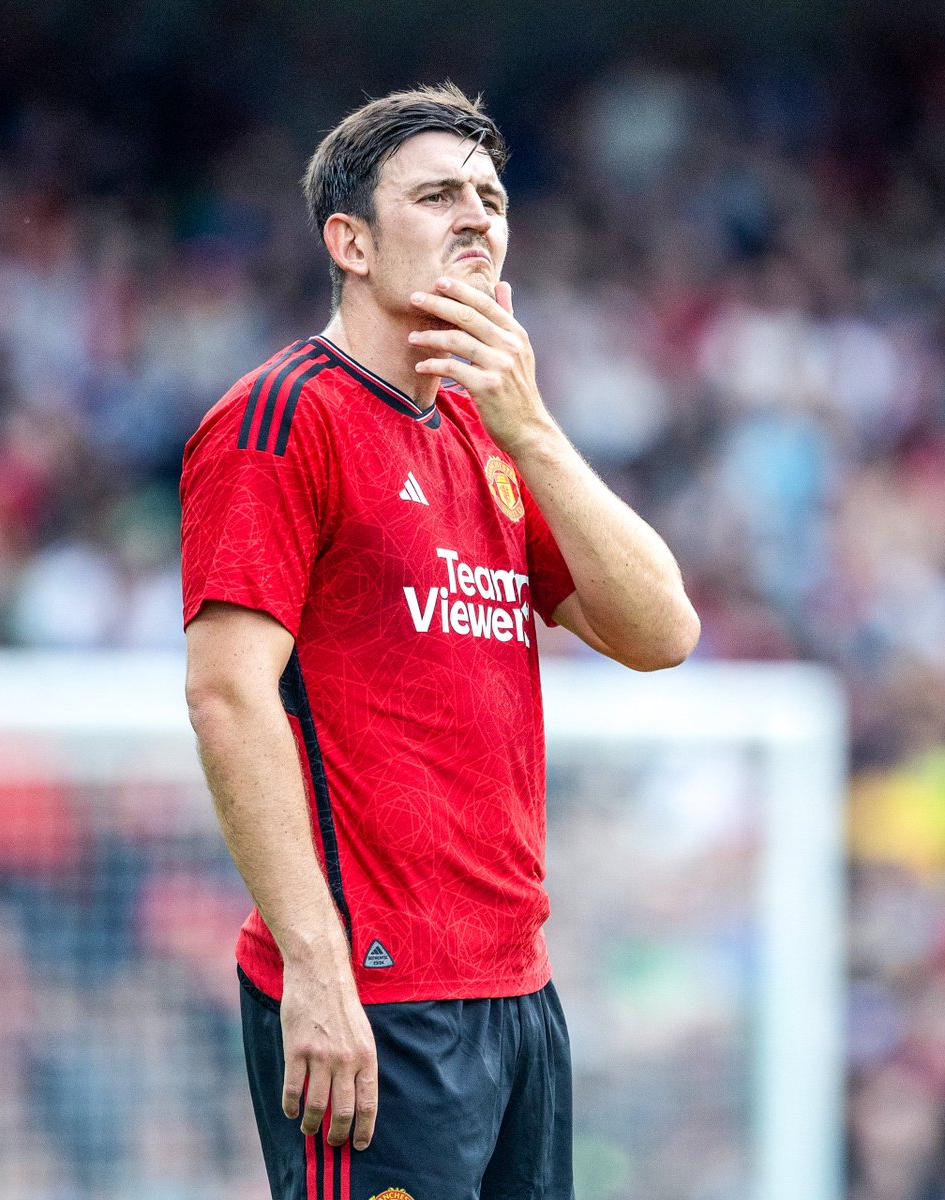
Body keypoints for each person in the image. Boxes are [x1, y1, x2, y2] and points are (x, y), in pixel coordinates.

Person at [181, 83, 699, 1200]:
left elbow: (663, 630)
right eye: (437, 196)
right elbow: (228, 695)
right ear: (352, 242)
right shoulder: (282, 419)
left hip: (516, 991)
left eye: (491, 199)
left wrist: (531, 425)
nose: (476, 216)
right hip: (373, 993)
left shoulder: (490, 430)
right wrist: (316, 965)